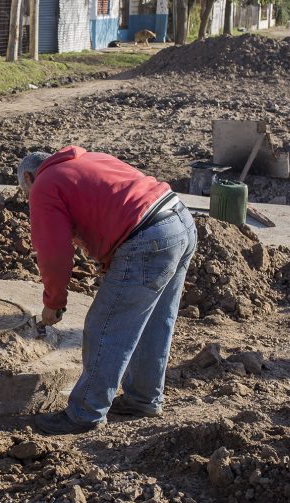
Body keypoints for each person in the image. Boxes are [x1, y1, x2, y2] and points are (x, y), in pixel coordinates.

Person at [19, 146, 197, 435]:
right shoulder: (86, 160)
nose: (29, 199)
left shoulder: (45, 184)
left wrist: (54, 301)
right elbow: (114, 206)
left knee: (106, 326)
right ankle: (143, 399)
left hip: (148, 237)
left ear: (29, 177)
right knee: (154, 320)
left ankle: (85, 413)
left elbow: (54, 254)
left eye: (26, 193)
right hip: (180, 222)